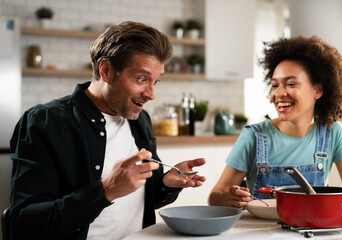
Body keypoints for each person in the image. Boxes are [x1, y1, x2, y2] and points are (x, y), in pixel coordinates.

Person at [8, 21, 206, 239]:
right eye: (142, 79)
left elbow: (141, 198)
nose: (151, 94)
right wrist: (106, 190)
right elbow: (22, 224)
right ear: (106, 71)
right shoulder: (44, 122)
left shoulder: (140, 120)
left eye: (155, 82)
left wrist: (166, 183)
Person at [208, 35, 342, 209]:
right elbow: (215, 196)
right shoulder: (253, 136)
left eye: (291, 84)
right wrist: (227, 199)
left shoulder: (333, 133)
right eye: (275, 85)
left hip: (311, 230)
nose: (278, 93)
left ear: (317, 90)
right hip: (260, 232)